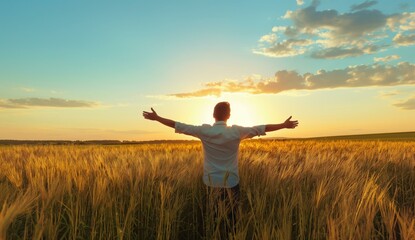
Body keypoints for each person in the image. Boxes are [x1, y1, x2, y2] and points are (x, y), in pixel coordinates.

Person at [142, 102, 299, 235]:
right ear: (229, 116)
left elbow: (178, 125)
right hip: (232, 183)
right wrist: (283, 125)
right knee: (232, 222)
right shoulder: (236, 132)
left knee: (213, 219)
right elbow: (261, 128)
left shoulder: (204, 131)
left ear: (213, 114)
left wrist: (157, 118)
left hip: (211, 182)